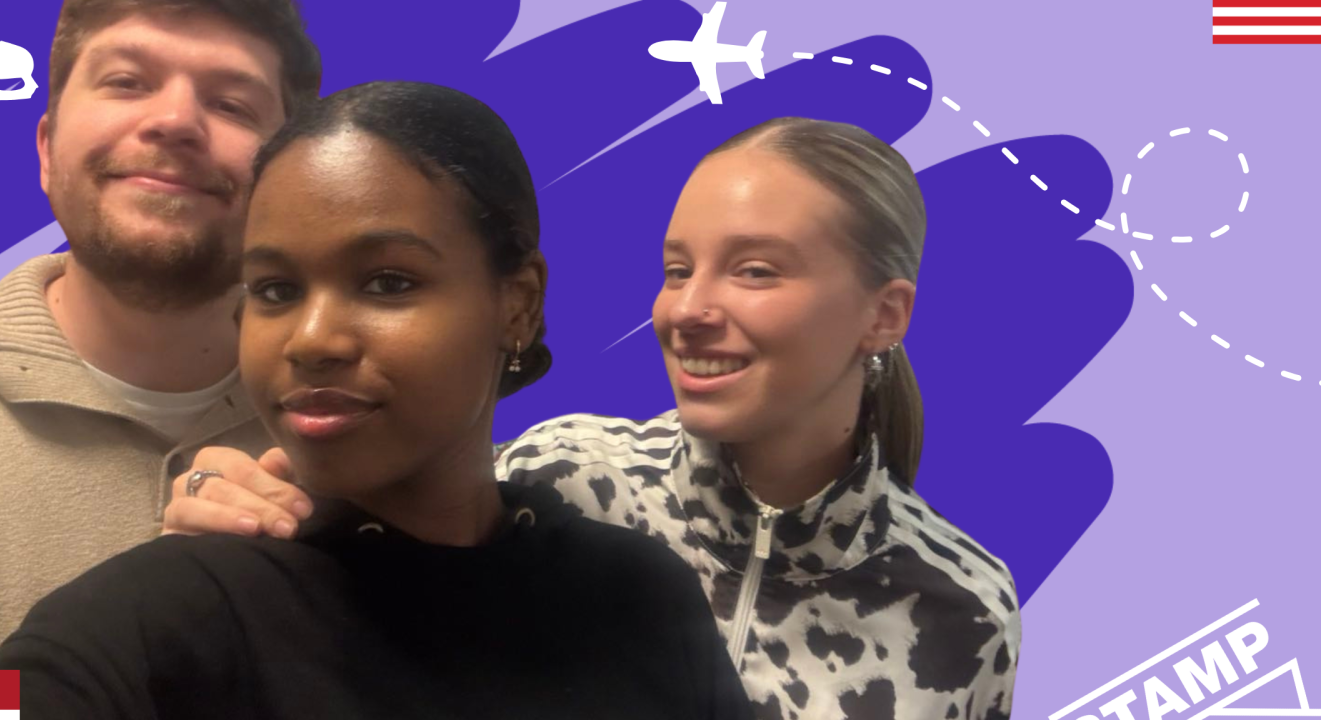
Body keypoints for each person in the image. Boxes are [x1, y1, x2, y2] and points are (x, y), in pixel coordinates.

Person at [171, 116, 1021, 720]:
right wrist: (228, 500)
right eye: (678, 269)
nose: (687, 310)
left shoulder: (964, 608)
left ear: (884, 314)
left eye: (755, 270)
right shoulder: (565, 474)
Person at [0, 81, 753, 720]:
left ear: (517, 302)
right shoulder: (166, 610)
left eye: (387, 282)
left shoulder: (636, 591)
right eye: (275, 290)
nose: (312, 338)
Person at [0, 0, 320, 703]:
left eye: (232, 104)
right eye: (127, 82)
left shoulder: (372, 431)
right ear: (47, 150)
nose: (175, 120)